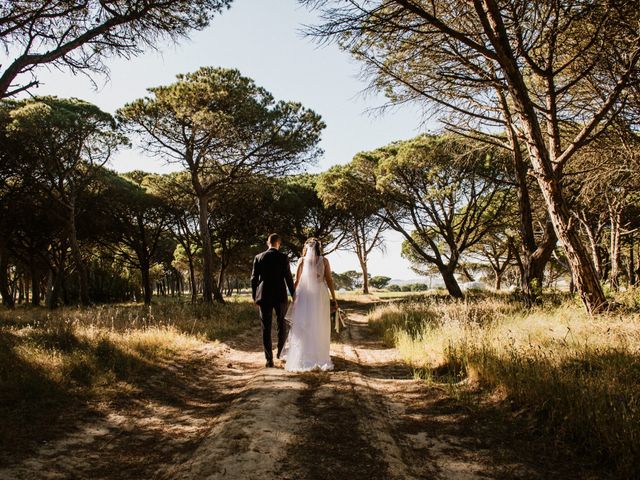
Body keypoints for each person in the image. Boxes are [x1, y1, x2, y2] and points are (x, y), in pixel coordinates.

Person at [283, 237, 337, 372]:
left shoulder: (301, 260)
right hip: (320, 294)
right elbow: (329, 279)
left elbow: (296, 280)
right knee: (320, 323)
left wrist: (293, 296)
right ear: (319, 247)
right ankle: (320, 355)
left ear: (306, 247)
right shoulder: (324, 261)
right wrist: (334, 297)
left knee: (304, 323)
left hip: (305, 294)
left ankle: (303, 355)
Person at [251, 233, 295, 368]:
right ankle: (280, 354)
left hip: (264, 296)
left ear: (268, 242)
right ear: (278, 243)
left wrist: (254, 296)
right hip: (280, 296)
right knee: (281, 325)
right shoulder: (283, 257)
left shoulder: (258, 257)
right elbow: (288, 278)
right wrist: (294, 295)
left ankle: (269, 360)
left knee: (266, 328)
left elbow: (253, 279)